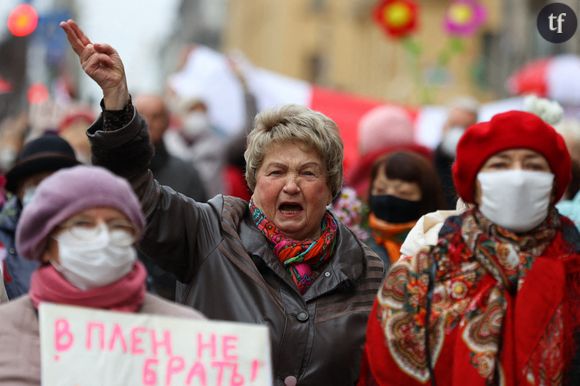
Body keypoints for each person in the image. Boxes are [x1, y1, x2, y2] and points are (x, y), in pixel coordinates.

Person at [60, 20, 384, 386]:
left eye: (308, 174)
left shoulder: (366, 269)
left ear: (330, 188)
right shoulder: (208, 231)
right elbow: (131, 191)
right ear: (254, 181)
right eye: (276, 172)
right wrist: (117, 101)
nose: (291, 186)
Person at [358, 110, 580, 385]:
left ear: (553, 183)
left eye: (533, 165)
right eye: (500, 165)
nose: (518, 178)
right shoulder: (419, 275)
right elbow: (387, 371)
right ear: (475, 184)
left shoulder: (574, 272)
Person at [0, 165, 204, 385]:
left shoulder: (185, 329)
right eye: (82, 224)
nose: (103, 237)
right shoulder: (7, 329)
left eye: (117, 225)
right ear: (45, 246)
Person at [134, 93, 208, 300]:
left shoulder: (187, 173)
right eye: (141, 115)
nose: (148, 123)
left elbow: (201, 231)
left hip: (172, 287)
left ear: (167, 122)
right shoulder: (114, 170)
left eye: (155, 116)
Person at [0, 134, 79, 299]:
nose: (48, 190)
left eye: (58, 181)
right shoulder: (2, 241)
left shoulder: (96, 235)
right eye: (37, 182)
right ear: (20, 190)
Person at [366, 151, 445, 270]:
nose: (389, 197)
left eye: (403, 193)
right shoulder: (354, 241)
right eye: (380, 190)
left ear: (426, 197)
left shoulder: (439, 245)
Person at [434, 97, 479, 208]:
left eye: (463, 127)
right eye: (454, 125)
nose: (457, 133)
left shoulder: (482, 153)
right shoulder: (437, 154)